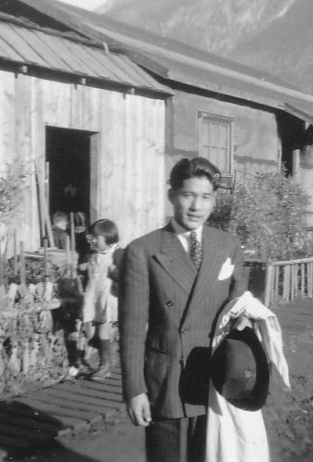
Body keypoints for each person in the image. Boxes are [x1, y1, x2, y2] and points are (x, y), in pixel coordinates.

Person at [119, 157, 248, 462]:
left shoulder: (227, 245)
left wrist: (243, 318)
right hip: (166, 379)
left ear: (214, 201)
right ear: (172, 196)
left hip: (216, 375)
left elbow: (239, 303)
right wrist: (134, 390)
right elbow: (132, 328)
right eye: (188, 195)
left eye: (205, 197)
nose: (196, 206)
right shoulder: (143, 250)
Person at [79, 219, 123, 380]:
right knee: (96, 330)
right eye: (92, 237)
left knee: (103, 330)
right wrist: (83, 267)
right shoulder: (93, 254)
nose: (93, 240)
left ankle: (105, 366)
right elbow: (87, 268)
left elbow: (127, 275)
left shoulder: (117, 254)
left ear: (108, 237)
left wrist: (115, 273)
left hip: (108, 298)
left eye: (97, 238)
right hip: (94, 297)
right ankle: (109, 359)